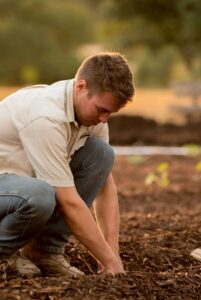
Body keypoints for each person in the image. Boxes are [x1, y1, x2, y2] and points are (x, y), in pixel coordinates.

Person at [0, 52, 134, 278]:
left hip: (18, 187)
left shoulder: (93, 117)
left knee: (101, 155)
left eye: (110, 113)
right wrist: (107, 260)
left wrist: (112, 252)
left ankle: (44, 252)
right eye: (101, 110)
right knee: (40, 195)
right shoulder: (46, 117)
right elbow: (68, 201)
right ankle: (3, 255)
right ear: (81, 87)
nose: (104, 119)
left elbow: (104, 184)